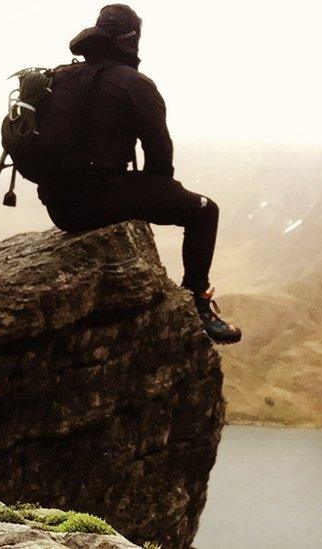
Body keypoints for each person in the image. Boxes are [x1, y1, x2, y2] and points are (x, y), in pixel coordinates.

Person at [36, 4, 241, 344]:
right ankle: (198, 306)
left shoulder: (63, 77)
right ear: (132, 40)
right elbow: (159, 154)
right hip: (100, 201)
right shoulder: (135, 84)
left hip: (60, 208)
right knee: (205, 211)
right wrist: (159, 194)